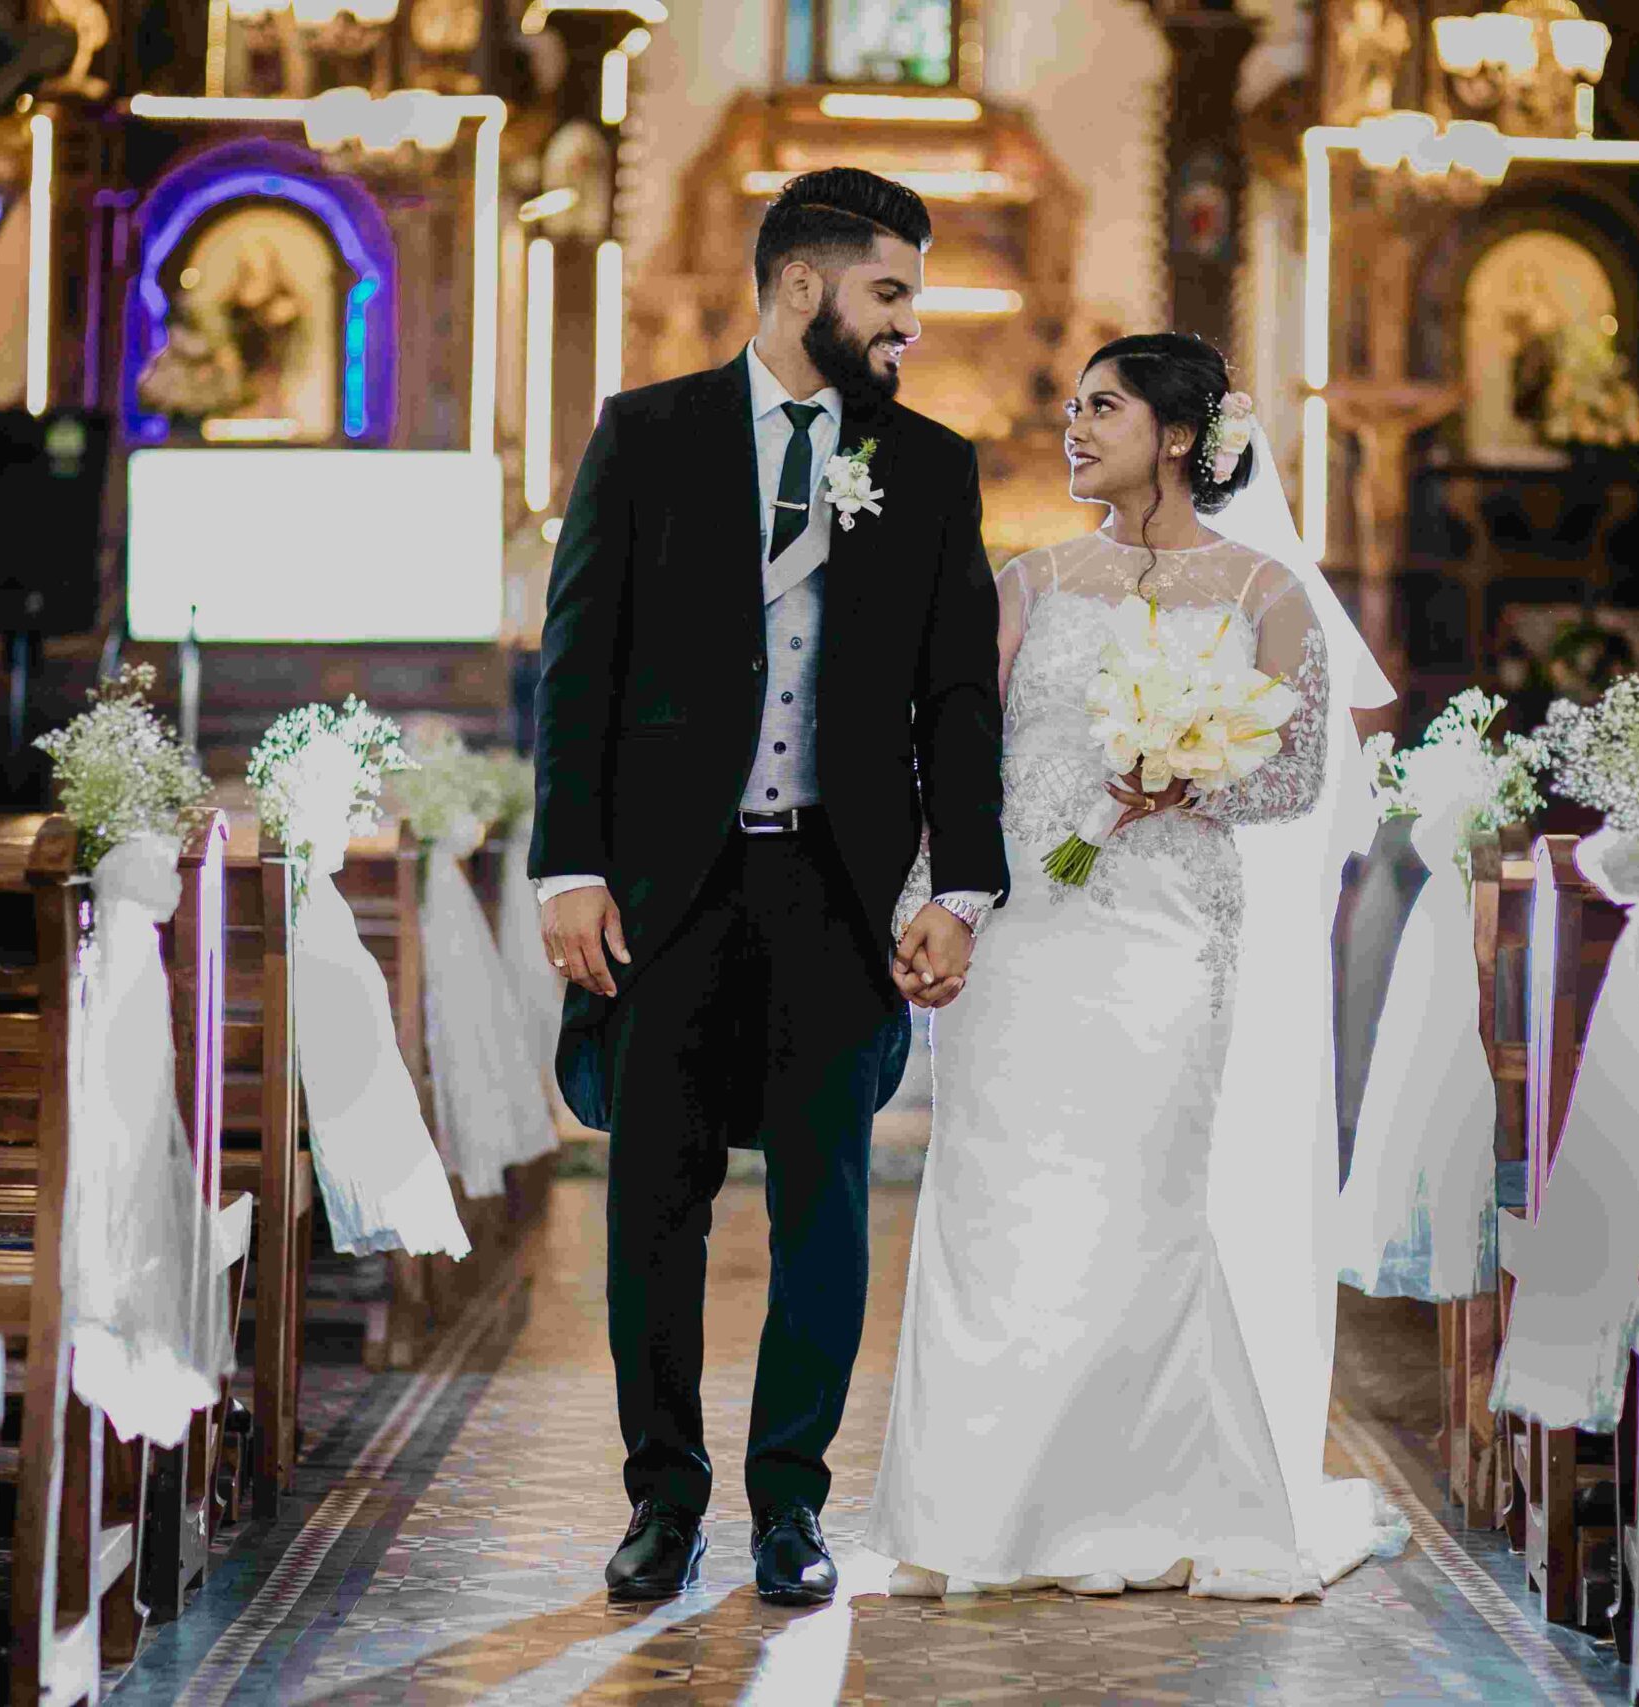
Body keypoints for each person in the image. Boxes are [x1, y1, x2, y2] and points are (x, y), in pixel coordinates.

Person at [527, 168, 1006, 1607]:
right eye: (892, 292)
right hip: (670, 888)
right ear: (804, 286)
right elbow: (577, 664)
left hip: (836, 889)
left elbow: (956, 700)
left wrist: (962, 888)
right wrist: (570, 864)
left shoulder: (927, 466)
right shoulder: (647, 435)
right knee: (653, 1210)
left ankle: (790, 1505)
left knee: (827, 1205)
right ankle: (659, 1499)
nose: (910, 323)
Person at [866, 334, 1409, 1599]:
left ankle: (1145, 1501)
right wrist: (926, 905)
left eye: (1100, 407)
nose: (1071, 426)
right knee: (995, 1206)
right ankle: (975, 1517)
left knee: (1142, 1202)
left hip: (1168, 929)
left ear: (1175, 434)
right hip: (1024, 935)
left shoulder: (1266, 591)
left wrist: (1182, 770)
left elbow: (1291, 778)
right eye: (1070, 405)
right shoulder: (1029, 581)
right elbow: (950, 757)